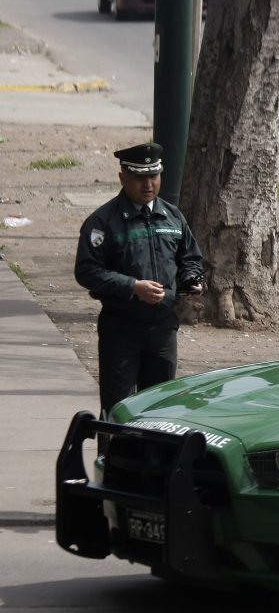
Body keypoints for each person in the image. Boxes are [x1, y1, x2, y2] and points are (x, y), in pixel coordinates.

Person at [74, 143, 204, 416]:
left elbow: (189, 257)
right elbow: (87, 271)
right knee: (118, 409)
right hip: (121, 329)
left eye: (153, 176)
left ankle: (154, 460)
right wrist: (133, 287)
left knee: (160, 408)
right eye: (139, 178)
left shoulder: (172, 216)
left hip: (163, 328)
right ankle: (111, 459)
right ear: (123, 178)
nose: (148, 184)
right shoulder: (103, 222)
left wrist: (191, 278)